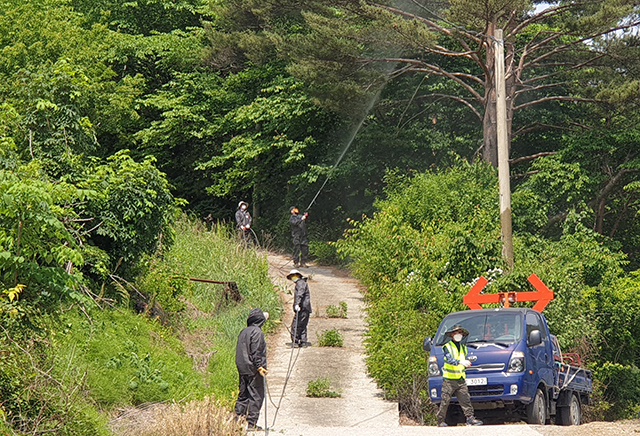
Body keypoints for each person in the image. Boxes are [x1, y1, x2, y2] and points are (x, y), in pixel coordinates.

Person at [437, 324, 483, 427]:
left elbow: (462, 360)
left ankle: (470, 418)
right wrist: (461, 362)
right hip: (449, 380)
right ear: (452, 334)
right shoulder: (447, 347)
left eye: (460, 333)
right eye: (456, 332)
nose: (459, 334)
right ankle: (440, 420)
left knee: (465, 399)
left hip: (461, 379)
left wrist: (466, 364)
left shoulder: (463, 347)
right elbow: (450, 360)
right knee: (445, 401)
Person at [234, 308, 269, 430]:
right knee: (256, 395)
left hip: (242, 367)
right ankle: (251, 423)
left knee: (243, 395)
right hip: (253, 369)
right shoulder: (257, 332)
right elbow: (256, 351)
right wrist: (260, 366)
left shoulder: (244, 331)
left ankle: (237, 422)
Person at [287, 269, 312, 347]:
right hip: (306, 307)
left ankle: (296, 341)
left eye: (294, 276)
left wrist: (297, 304)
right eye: (292, 277)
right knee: (303, 324)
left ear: (298, 275)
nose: (293, 278)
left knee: (296, 325)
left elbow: (299, 294)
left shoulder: (300, 283)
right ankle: (303, 341)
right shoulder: (303, 283)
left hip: (302, 307)